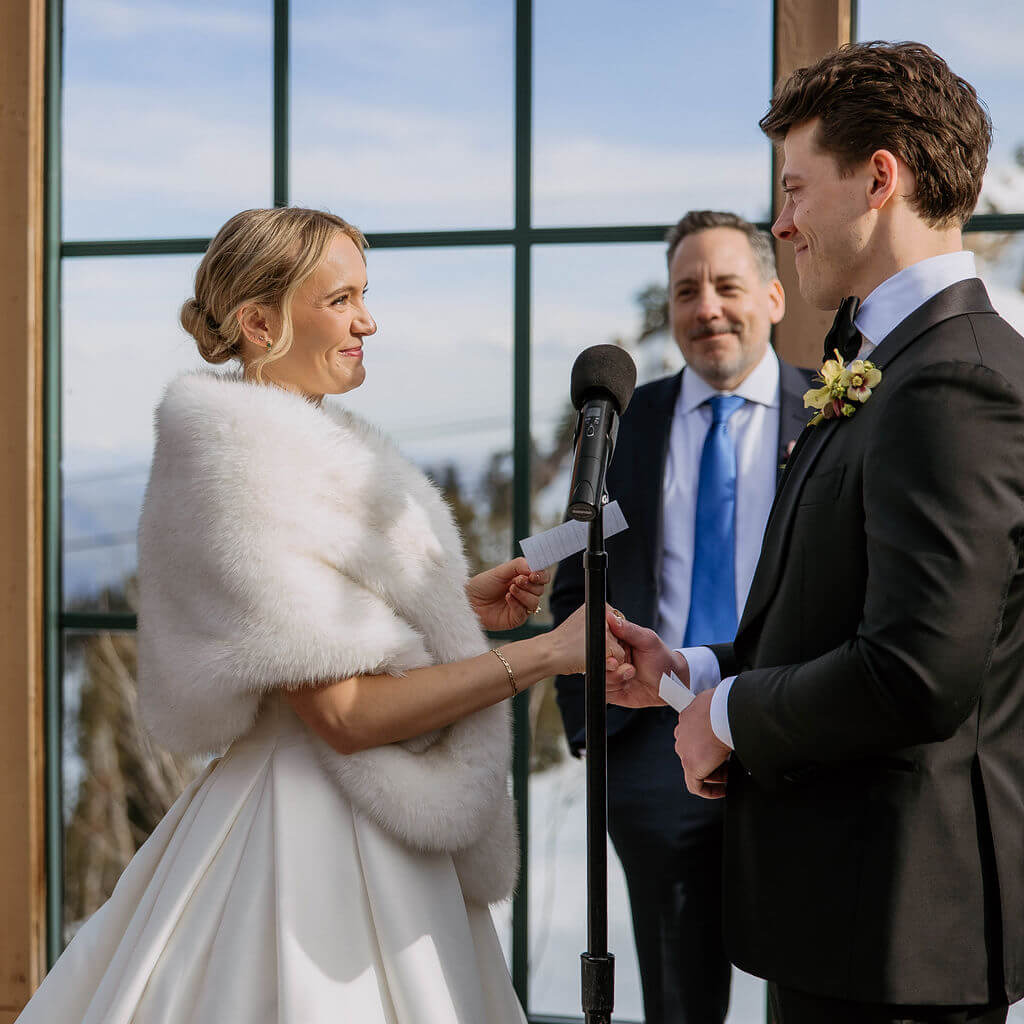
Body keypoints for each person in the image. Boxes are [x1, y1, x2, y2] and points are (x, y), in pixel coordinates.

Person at [16, 206, 630, 1024]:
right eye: (341, 299)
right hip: (314, 834)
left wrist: (447, 604)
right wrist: (548, 655)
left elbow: (331, 628)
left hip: (348, 804)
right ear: (259, 320)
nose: (368, 320)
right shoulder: (250, 471)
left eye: (363, 295)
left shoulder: (296, 443)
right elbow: (343, 714)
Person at [605, 41, 1024, 1024]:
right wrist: (694, 673)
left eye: (795, 189)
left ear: (880, 178)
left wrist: (731, 715)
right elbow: (840, 611)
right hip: (847, 924)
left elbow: (916, 670)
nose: (782, 223)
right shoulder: (889, 362)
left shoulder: (953, 375)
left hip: (903, 936)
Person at [549, 210, 809, 1024]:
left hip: (803, 735)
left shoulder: (838, 417)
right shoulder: (625, 428)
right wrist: (594, 732)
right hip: (652, 752)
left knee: (816, 992)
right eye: (686, 291)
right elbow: (566, 568)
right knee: (677, 1002)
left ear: (771, 296)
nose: (706, 308)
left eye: (727, 286)